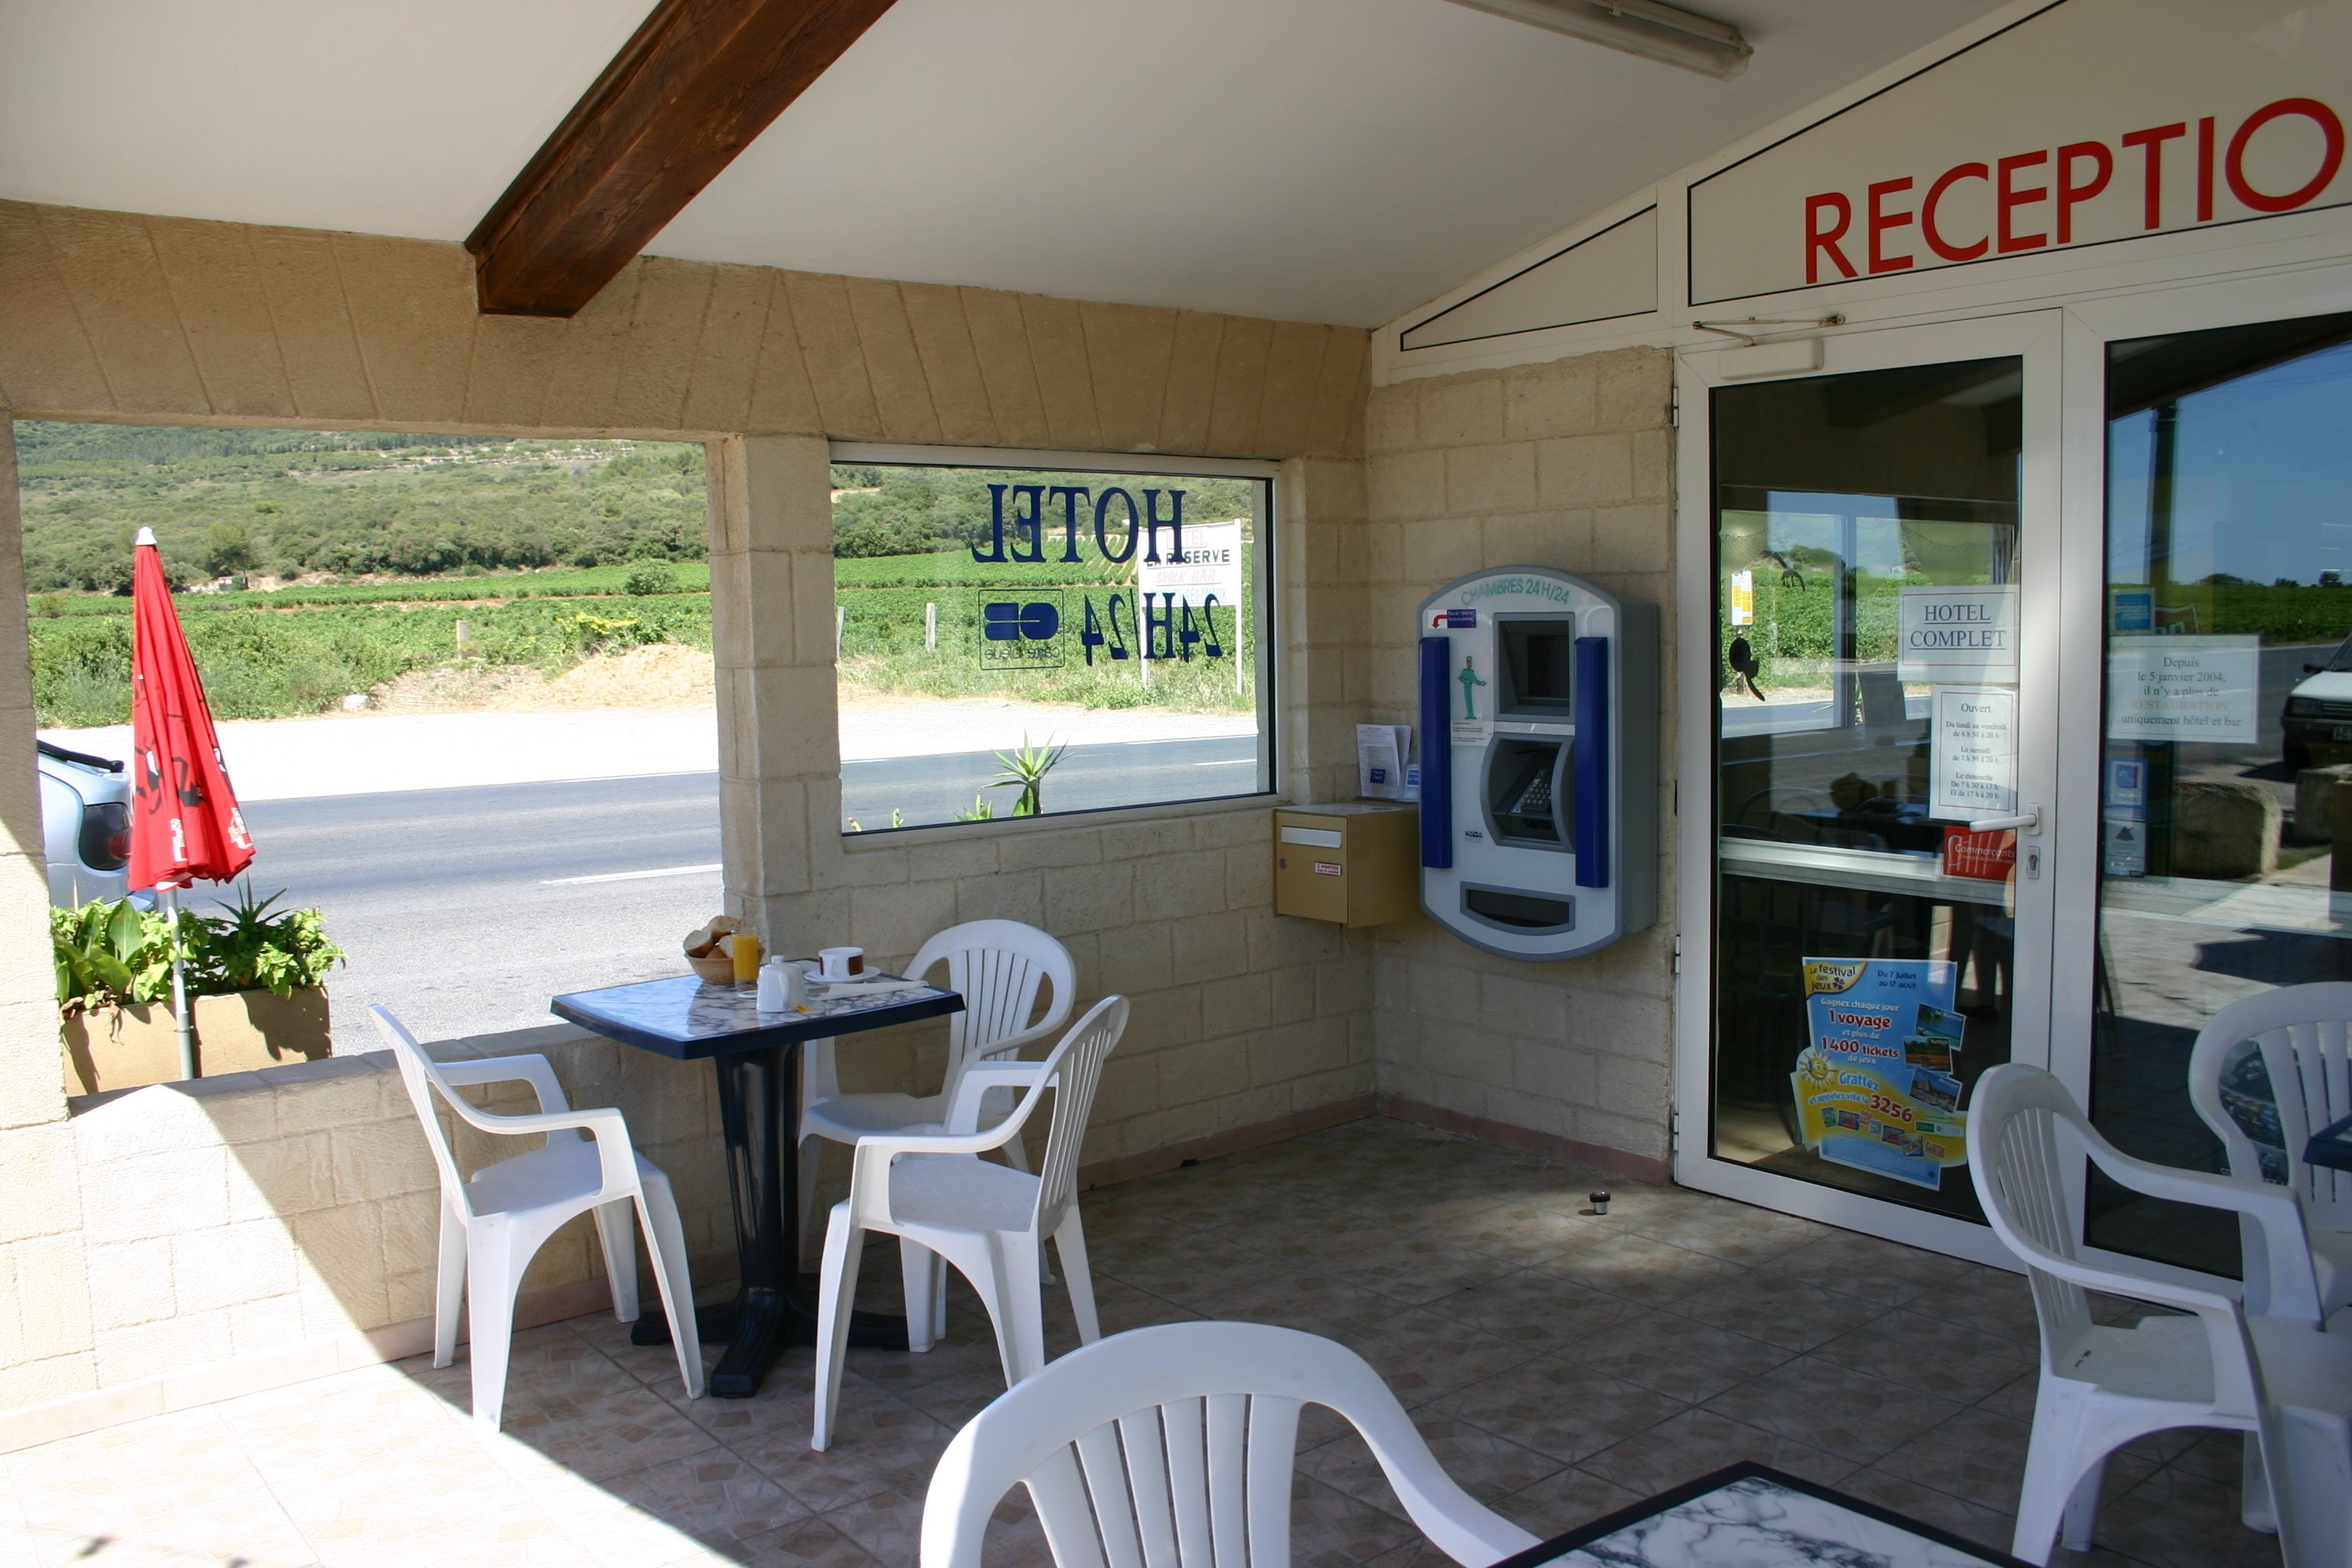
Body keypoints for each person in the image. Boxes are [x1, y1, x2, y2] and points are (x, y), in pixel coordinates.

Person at [1458, 654, 1488, 720]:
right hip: (1466, 688)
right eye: (1469, 663)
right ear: (1467, 663)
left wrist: (1482, 683)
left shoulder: (1471, 672)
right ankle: (1469, 714)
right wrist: (1466, 681)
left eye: (1471, 663)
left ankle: (1471, 715)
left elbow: (1475, 680)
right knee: (1468, 701)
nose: (1470, 665)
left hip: (1470, 688)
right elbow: (1459, 678)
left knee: (1470, 701)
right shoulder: (1464, 671)